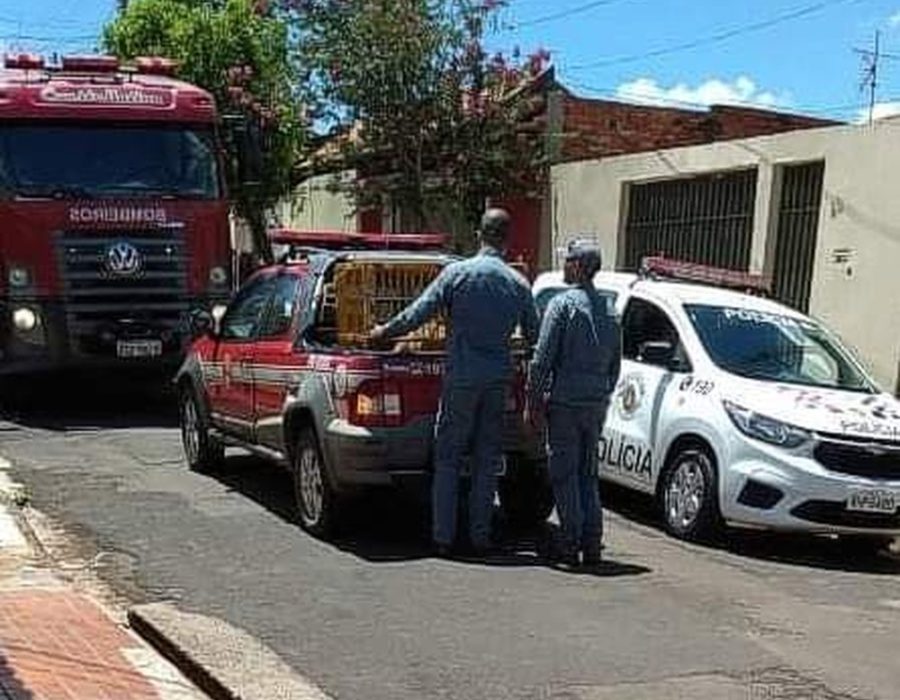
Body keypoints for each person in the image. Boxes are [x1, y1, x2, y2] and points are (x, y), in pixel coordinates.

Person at [370, 209, 539, 557]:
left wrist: (383, 333)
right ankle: (480, 536)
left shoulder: (457, 274)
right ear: (507, 239)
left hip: (461, 378)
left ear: (480, 234)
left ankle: (443, 537)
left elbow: (418, 312)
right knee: (487, 459)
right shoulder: (518, 284)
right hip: (497, 380)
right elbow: (534, 337)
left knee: (447, 458)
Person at [526, 239, 621, 568]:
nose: (564, 266)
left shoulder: (562, 305)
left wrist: (532, 400)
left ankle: (570, 546)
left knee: (565, 475)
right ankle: (592, 545)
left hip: (566, 404)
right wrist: (601, 394)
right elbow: (614, 366)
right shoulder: (609, 310)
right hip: (594, 404)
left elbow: (541, 359)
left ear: (578, 266)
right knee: (587, 475)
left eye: (568, 261)